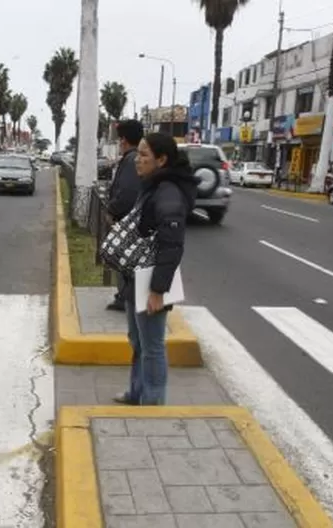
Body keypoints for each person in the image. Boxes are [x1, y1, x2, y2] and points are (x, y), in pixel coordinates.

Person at [114, 132, 195, 406]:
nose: (138, 159)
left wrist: (158, 290)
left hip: (150, 279)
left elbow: (172, 244)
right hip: (135, 275)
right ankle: (137, 393)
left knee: (152, 347)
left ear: (161, 160)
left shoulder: (168, 191)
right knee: (137, 342)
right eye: (138, 153)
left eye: (145, 155)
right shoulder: (152, 184)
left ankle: (152, 402)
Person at [104, 119, 144, 311]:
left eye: (120, 139)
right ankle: (125, 297)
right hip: (134, 221)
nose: (119, 144)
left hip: (128, 222)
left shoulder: (131, 160)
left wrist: (112, 210)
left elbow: (127, 192)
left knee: (125, 261)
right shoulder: (134, 158)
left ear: (124, 140)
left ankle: (125, 299)